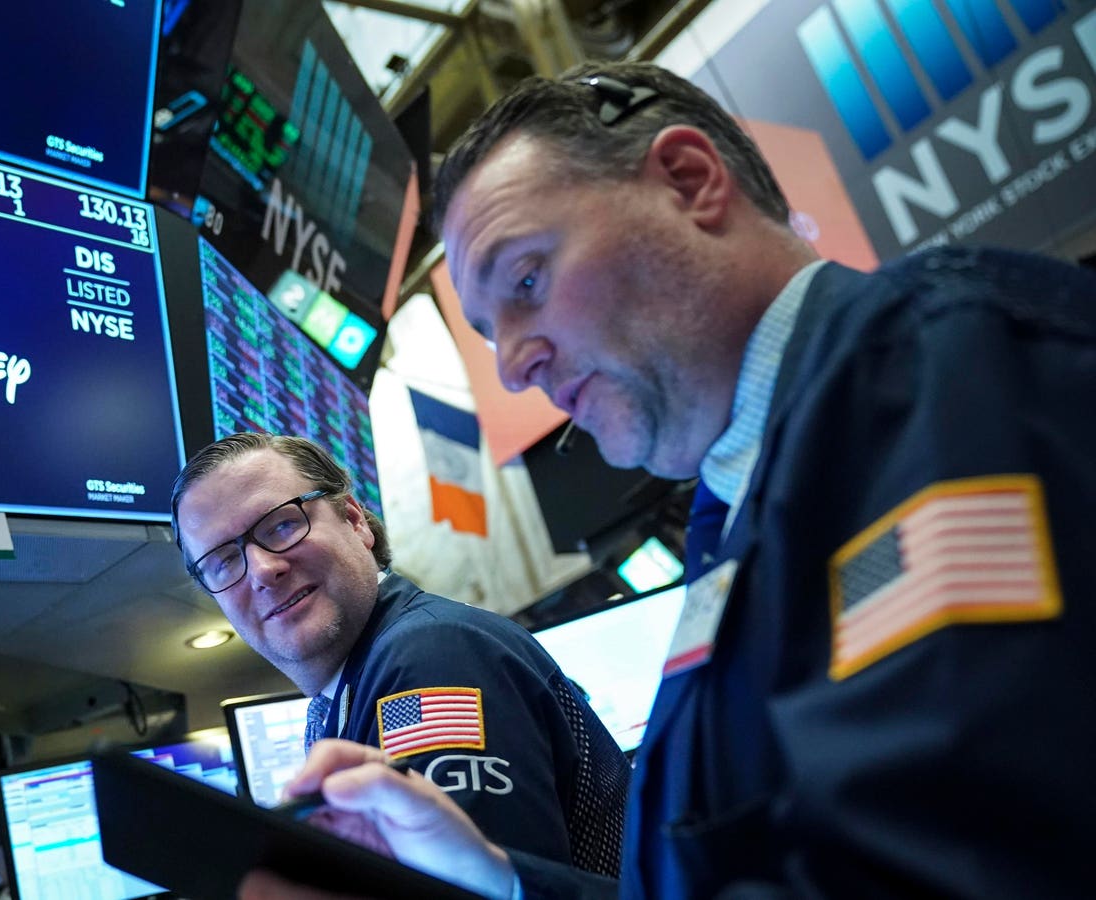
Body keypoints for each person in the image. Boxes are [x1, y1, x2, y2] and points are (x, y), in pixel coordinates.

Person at [240, 60, 1096, 899]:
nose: (512, 366)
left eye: (527, 280)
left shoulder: (936, 372)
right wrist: (490, 876)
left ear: (689, 182)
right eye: (490, 331)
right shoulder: (739, 503)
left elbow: (957, 857)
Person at [171, 432, 628, 893]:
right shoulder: (354, 685)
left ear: (355, 522)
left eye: (281, 526)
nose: (263, 570)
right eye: (223, 561)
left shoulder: (431, 657)